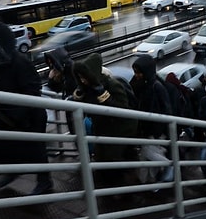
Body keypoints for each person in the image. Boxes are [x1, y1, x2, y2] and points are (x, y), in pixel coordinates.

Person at [0, 22, 53, 195]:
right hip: (6, 112)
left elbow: (33, 89)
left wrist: (20, 114)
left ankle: (45, 182)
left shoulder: (20, 62)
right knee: (0, 142)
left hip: (30, 114)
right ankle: (11, 170)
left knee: (36, 149)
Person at [72, 52, 139, 188]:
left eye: (84, 77)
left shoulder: (112, 85)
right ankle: (113, 187)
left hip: (119, 129)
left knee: (113, 159)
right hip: (103, 128)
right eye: (80, 78)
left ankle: (121, 189)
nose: (83, 80)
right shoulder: (88, 88)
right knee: (103, 157)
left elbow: (122, 109)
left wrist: (103, 96)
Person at [130, 55, 175, 183]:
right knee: (147, 157)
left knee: (147, 154)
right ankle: (150, 182)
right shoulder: (140, 84)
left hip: (155, 131)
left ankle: (168, 167)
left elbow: (167, 110)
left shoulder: (157, 87)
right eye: (135, 72)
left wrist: (167, 132)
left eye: (139, 72)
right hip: (146, 129)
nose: (137, 75)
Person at [44, 47, 78, 134]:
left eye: (53, 66)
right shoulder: (65, 75)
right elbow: (54, 88)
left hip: (78, 116)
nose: (52, 69)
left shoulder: (73, 75)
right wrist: (52, 79)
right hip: (71, 115)